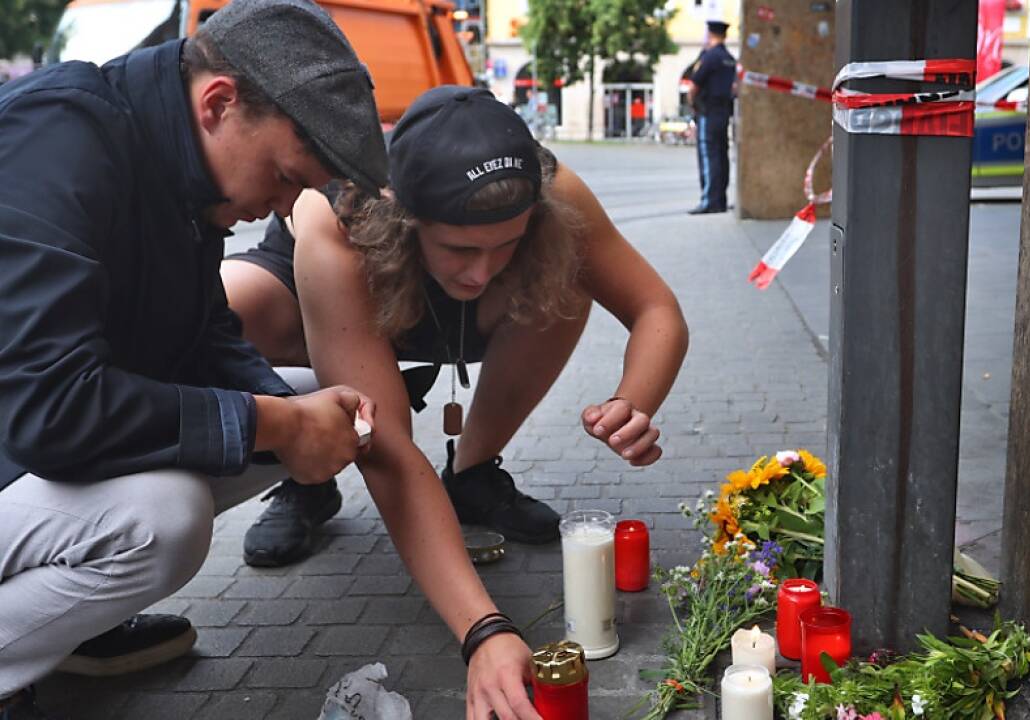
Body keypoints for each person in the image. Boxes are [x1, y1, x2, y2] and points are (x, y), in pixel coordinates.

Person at [0, 3, 536, 719]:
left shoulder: (175, 155)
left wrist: (287, 415)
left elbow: (204, 337)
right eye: (286, 176)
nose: (287, 207)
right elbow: (51, 409)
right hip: (23, 433)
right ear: (219, 103)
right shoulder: (55, 141)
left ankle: (65, 628)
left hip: (29, 444)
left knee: (322, 398)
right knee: (165, 519)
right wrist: (273, 424)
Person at [222, 87, 688, 579]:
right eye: (460, 249)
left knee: (568, 275)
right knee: (231, 306)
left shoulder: (554, 190)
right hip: (330, 298)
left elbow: (657, 309)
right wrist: (480, 624)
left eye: (507, 243)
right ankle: (306, 473)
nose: (480, 272)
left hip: (467, 320)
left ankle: (472, 473)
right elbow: (389, 447)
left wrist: (633, 403)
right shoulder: (339, 210)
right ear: (404, 218)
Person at [688, 20, 737, 215]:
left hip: (708, 112)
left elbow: (694, 85)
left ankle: (709, 201)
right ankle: (720, 200)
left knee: (708, 156)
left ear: (710, 35)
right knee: (721, 156)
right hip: (723, 112)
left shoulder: (709, 57)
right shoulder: (729, 58)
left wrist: (692, 105)